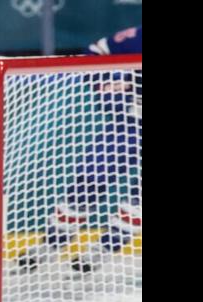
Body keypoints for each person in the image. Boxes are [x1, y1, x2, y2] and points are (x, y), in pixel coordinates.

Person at [18, 25, 141, 274]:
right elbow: (95, 53)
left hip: (128, 124)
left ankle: (103, 250)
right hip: (128, 126)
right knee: (87, 183)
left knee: (139, 200)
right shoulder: (137, 36)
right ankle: (53, 243)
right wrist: (112, 85)